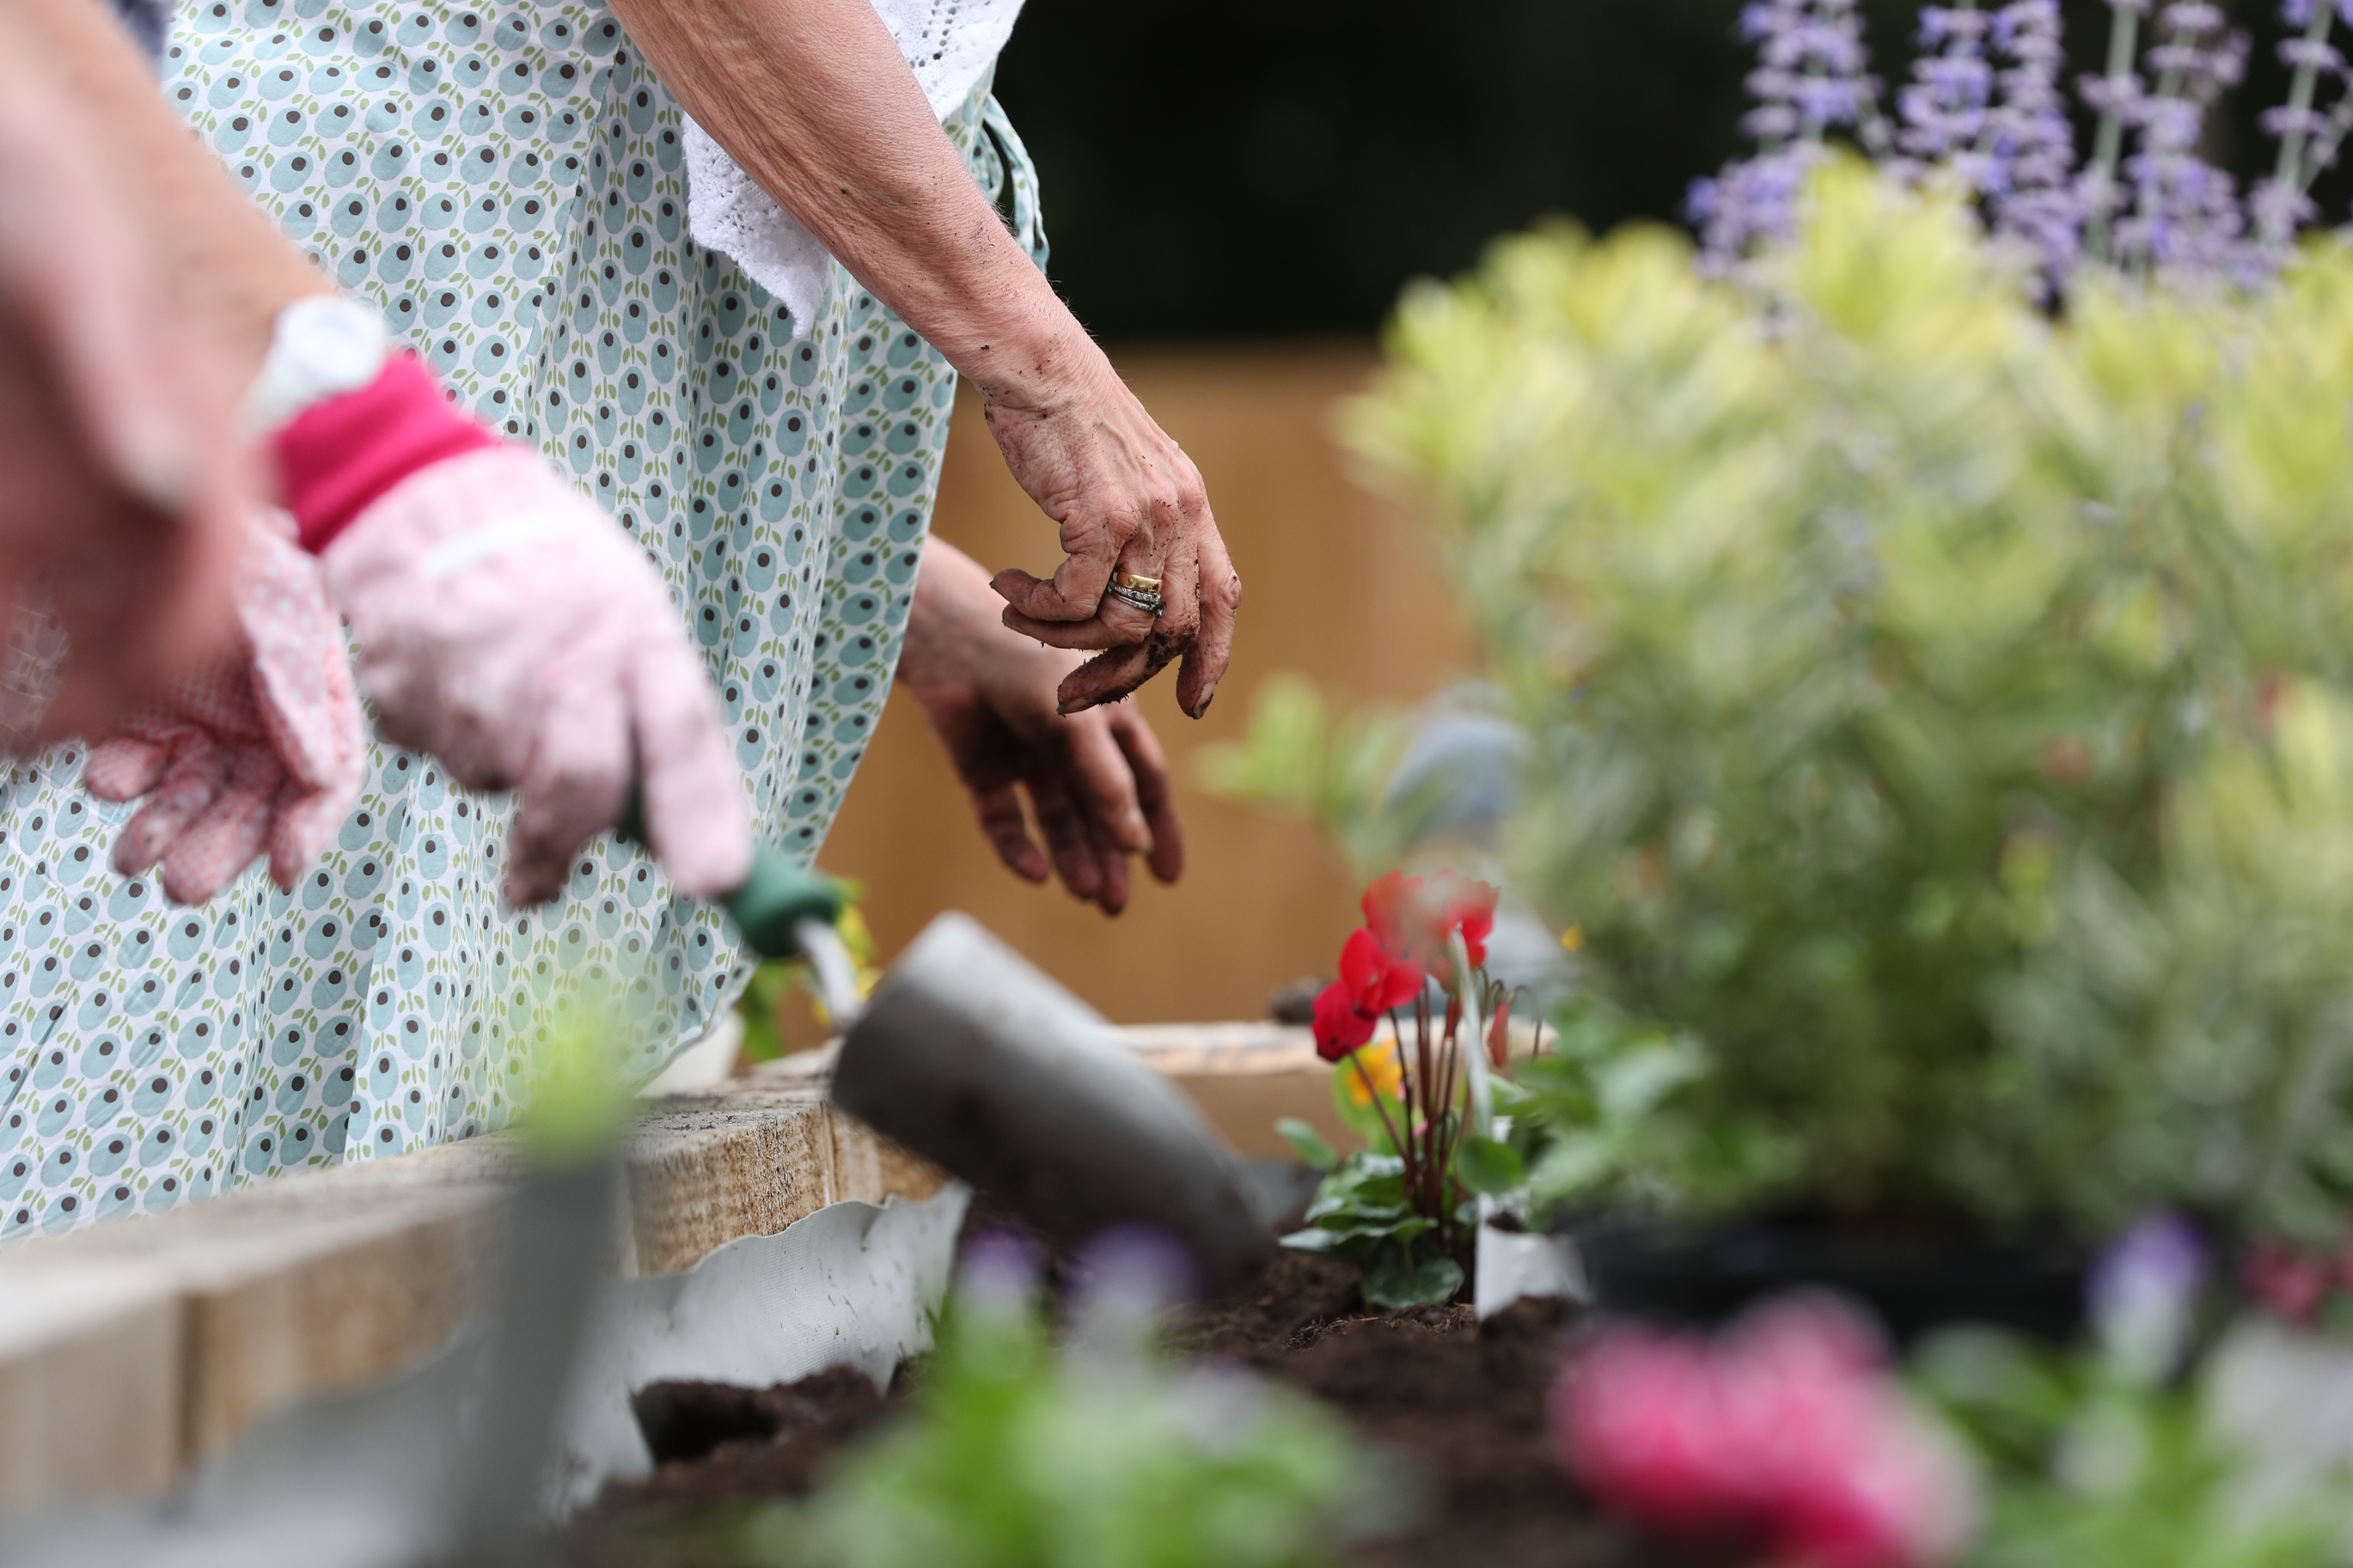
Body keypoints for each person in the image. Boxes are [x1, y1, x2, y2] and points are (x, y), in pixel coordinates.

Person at [0, 0, 1227, 1239]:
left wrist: (904, 595)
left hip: (316, 340)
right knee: (130, 1118)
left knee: (372, 1183)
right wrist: (1058, 381)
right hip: (344, 272)